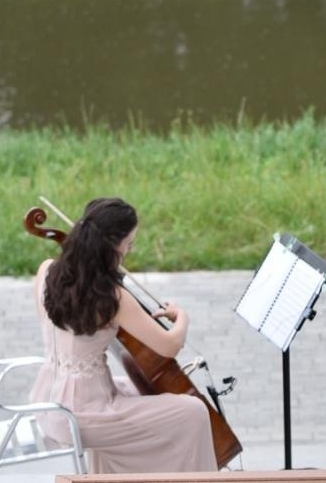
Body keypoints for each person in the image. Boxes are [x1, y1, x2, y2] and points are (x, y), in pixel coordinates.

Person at [29, 198, 217, 474]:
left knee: (136, 391)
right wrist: (182, 317)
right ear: (113, 245)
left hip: (48, 399)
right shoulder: (113, 298)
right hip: (81, 414)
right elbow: (170, 345)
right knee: (193, 412)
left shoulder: (47, 271)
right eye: (129, 243)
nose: (130, 249)